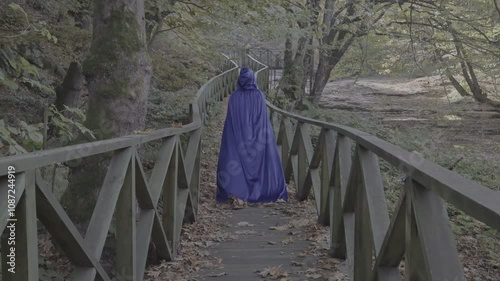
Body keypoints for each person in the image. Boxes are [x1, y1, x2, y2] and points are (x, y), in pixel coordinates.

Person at [216, 67, 288, 203]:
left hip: (238, 137)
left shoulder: (234, 97)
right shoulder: (259, 96)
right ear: (253, 79)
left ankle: (236, 190)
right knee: (261, 159)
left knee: (235, 158)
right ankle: (263, 189)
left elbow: (231, 122)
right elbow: (262, 121)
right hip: (257, 137)